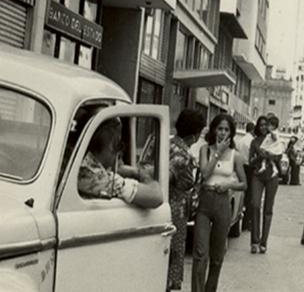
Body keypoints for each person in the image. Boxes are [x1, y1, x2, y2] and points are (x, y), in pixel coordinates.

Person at [192, 113, 246, 292]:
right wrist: (218, 153)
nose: (222, 132)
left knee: (217, 255)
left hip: (223, 202)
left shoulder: (235, 156)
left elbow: (243, 184)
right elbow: (205, 174)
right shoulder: (205, 150)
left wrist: (228, 185)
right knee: (200, 253)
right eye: (220, 128)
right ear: (214, 130)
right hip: (205, 201)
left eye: (226, 130)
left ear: (231, 133)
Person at [78, 118, 163, 208]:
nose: (120, 154)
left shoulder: (81, 166)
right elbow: (156, 197)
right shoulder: (98, 177)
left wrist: (135, 172)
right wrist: (145, 176)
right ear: (111, 146)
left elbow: (117, 169)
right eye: (119, 145)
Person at [167, 109, 205, 291]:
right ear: (195, 134)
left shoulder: (163, 143)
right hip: (176, 207)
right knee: (174, 249)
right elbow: (182, 182)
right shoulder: (183, 156)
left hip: (159, 203)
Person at [248, 116, 282, 253]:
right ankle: (254, 241)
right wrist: (260, 157)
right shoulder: (254, 142)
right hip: (257, 175)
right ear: (257, 126)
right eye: (260, 125)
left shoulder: (275, 139)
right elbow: (250, 161)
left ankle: (264, 242)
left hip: (272, 176)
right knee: (255, 205)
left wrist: (271, 156)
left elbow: (279, 156)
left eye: (265, 124)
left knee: (268, 209)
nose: (263, 127)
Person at [235, 122, 255, 232]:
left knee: (240, 193)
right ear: (252, 130)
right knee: (249, 196)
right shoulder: (252, 141)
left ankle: (238, 216)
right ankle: (246, 223)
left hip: (239, 167)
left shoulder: (240, 140)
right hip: (249, 168)